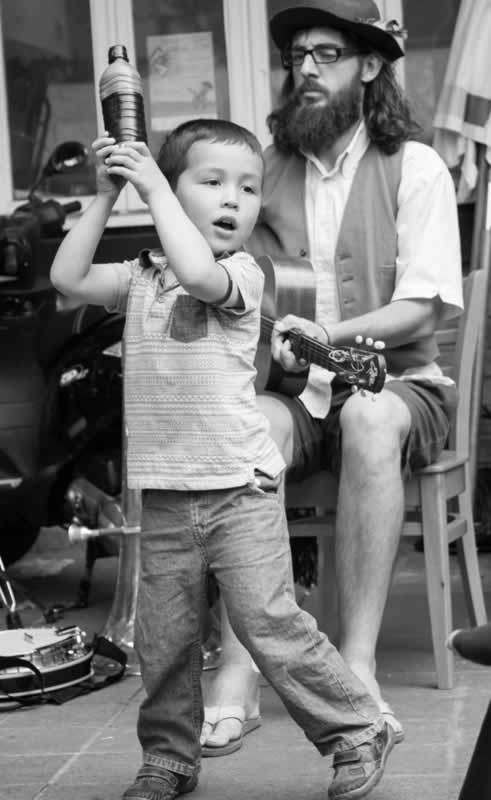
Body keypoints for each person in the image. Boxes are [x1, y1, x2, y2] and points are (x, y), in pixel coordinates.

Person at [50, 117, 397, 800]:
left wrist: (153, 189)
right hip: (166, 492)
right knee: (165, 639)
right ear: (174, 191)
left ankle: (358, 729)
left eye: (247, 187)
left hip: (240, 489)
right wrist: (107, 192)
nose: (233, 199)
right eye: (212, 182)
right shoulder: (138, 279)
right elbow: (67, 276)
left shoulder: (240, 272)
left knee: (269, 622)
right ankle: (169, 757)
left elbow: (198, 275)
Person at [201, 0, 463, 757]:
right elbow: (233, 280)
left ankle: (355, 666)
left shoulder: (414, 166)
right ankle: (241, 668)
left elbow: (420, 308)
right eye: (296, 58)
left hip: (400, 385)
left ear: (370, 65)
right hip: (296, 394)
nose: (306, 70)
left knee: (368, 416)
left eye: (326, 54)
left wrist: (328, 338)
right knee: (246, 426)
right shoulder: (264, 170)